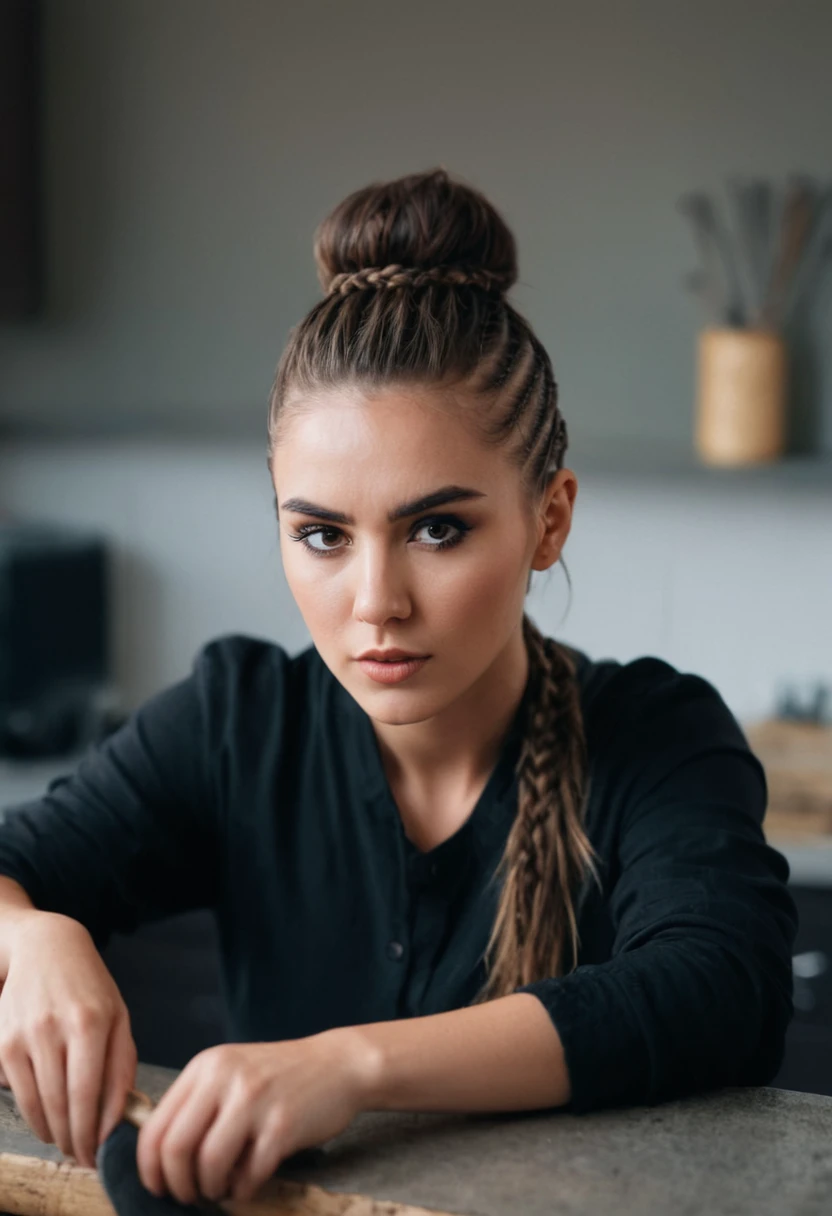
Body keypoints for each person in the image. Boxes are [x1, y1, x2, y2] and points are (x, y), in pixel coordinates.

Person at [0, 168, 797, 1208]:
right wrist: (34, 935)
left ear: (547, 519)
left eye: (436, 529)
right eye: (322, 534)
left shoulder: (657, 735)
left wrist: (350, 1065)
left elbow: (718, 989)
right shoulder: (242, 718)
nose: (375, 601)